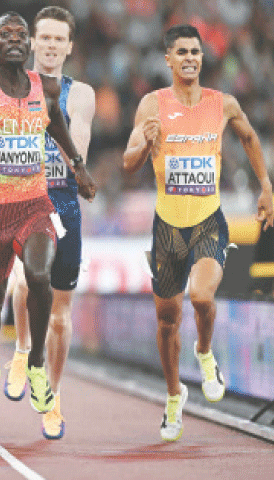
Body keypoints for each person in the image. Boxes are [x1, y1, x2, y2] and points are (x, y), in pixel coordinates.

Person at [0, 12, 97, 434]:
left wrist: (78, 167)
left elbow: (58, 127)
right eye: (3, 35)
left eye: (19, 34)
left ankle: (35, 363)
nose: (14, 39)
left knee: (40, 272)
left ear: (27, 45)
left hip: (34, 204)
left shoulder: (44, 88)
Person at [123, 24, 274, 442]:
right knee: (167, 320)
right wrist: (142, 145)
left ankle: (204, 352)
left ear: (202, 58)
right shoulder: (151, 106)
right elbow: (128, 161)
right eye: (182, 51)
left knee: (202, 296)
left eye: (196, 51)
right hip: (167, 226)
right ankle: (174, 398)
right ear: (168, 59)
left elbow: (248, 136)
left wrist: (266, 186)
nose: (190, 57)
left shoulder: (222, 104)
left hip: (208, 220)